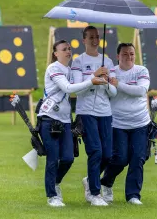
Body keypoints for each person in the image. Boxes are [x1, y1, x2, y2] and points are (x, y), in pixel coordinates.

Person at [38, 39, 107, 207]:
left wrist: (95, 76)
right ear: (55, 53)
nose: (68, 51)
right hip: (49, 118)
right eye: (64, 49)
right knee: (53, 158)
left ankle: (54, 183)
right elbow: (68, 88)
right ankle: (52, 196)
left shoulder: (69, 70)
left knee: (68, 158)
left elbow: (78, 87)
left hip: (65, 121)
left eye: (69, 48)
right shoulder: (53, 68)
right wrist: (92, 80)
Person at [71, 26, 117, 206]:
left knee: (107, 155)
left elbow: (113, 92)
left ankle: (90, 180)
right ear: (84, 40)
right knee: (95, 151)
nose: (94, 40)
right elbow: (76, 87)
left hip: (105, 112)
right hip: (86, 112)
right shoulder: (78, 62)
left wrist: (105, 81)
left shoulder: (108, 62)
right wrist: (93, 75)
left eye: (97, 37)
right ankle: (95, 194)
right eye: (90, 37)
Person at [100, 42, 151, 205]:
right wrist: (107, 82)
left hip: (140, 123)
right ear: (117, 56)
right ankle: (106, 183)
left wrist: (118, 84)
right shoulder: (111, 72)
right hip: (118, 123)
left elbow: (141, 91)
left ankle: (133, 195)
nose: (129, 57)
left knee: (138, 158)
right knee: (120, 158)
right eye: (125, 54)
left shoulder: (142, 71)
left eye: (131, 54)